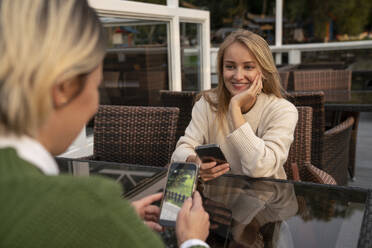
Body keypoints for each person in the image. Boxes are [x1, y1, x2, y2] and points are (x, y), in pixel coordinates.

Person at [0, 0, 209, 247]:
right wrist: (193, 240)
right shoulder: (87, 203)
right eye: (96, 85)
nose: (95, 105)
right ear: (64, 87)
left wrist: (109, 221)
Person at [171, 29, 298, 181]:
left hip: (268, 200)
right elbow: (180, 151)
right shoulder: (207, 103)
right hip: (217, 198)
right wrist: (194, 162)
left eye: (248, 67)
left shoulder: (283, 110)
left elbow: (260, 167)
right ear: (221, 69)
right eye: (230, 67)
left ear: (263, 71)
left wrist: (235, 108)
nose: (238, 76)